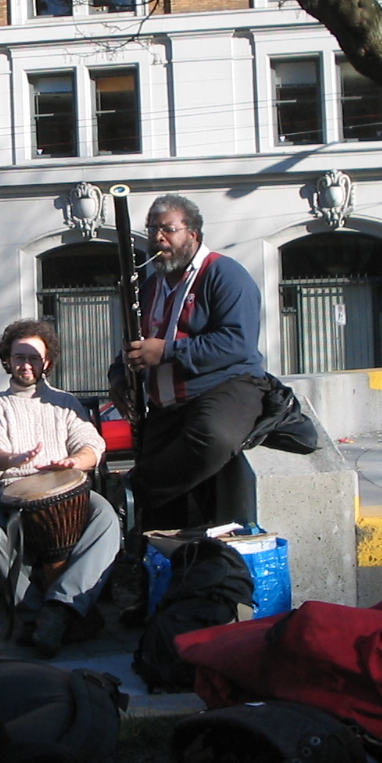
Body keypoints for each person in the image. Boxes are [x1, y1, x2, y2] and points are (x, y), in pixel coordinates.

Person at [110, 193, 267, 531]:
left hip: (225, 388)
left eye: (167, 229)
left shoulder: (225, 274)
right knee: (161, 500)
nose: (157, 238)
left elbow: (237, 342)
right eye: (152, 229)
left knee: (213, 436)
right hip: (168, 407)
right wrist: (119, 375)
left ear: (193, 234)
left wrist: (166, 352)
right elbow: (134, 342)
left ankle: (133, 492)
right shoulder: (151, 284)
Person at [0, 319, 120, 657]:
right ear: (7, 360)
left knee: (106, 517)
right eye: (18, 357)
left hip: (67, 490)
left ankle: (61, 608)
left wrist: (77, 461)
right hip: (13, 493)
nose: (25, 364)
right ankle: (32, 612)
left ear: (47, 362)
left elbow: (91, 444)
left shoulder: (64, 403)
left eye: (33, 358)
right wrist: (12, 457)